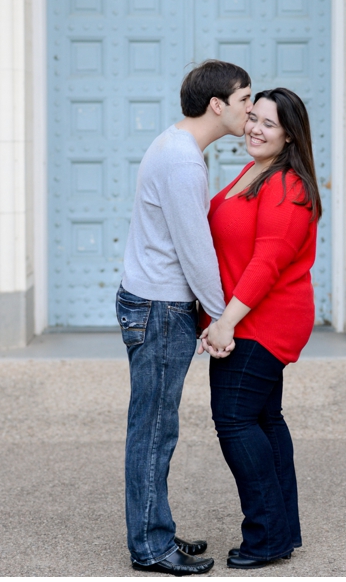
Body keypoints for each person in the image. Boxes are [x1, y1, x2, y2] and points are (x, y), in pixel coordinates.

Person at [117, 60, 252, 575]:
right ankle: (151, 547)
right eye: (244, 99)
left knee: (152, 426)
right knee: (154, 430)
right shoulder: (183, 162)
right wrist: (222, 318)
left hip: (151, 302)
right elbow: (195, 250)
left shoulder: (177, 146)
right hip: (160, 308)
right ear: (217, 105)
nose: (250, 109)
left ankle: (155, 531)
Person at [199, 88, 321, 570]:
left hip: (263, 320)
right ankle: (281, 532)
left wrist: (225, 321)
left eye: (268, 123)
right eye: (252, 117)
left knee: (233, 418)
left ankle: (267, 536)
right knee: (265, 419)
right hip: (250, 315)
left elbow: (268, 261)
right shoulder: (255, 172)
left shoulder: (287, 185)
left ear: (289, 133)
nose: (254, 128)